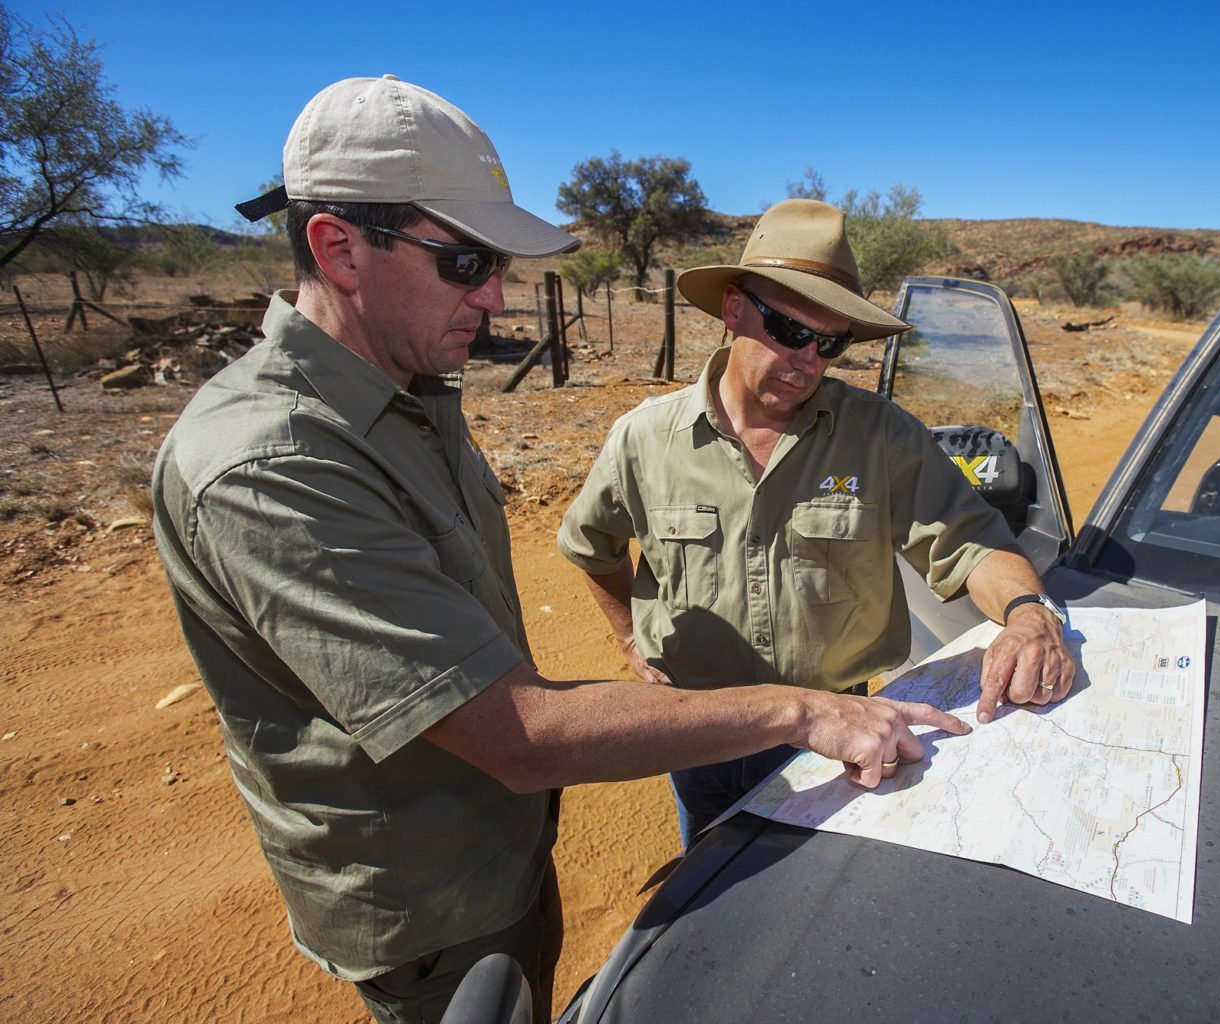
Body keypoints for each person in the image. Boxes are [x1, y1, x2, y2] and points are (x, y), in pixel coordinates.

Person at [152, 78, 969, 1024]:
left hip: (498, 854)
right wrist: (799, 711)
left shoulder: (409, 398)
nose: (496, 295)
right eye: (462, 260)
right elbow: (518, 733)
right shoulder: (274, 461)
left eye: (492, 260)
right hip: (428, 899)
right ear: (338, 248)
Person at [557, 198, 1078, 848]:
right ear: (732, 309)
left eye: (829, 342)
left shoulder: (880, 438)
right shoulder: (642, 440)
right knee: (712, 885)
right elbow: (591, 544)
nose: (807, 359)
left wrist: (1029, 613)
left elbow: (971, 543)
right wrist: (630, 639)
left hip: (842, 729)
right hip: (698, 727)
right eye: (788, 329)